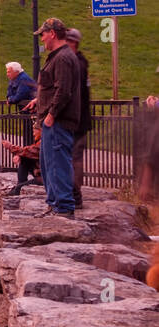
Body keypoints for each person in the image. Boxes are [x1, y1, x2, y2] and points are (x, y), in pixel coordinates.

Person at [32, 18, 82, 218]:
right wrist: (38, 101)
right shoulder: (59, 56)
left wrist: (51, 115)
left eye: (43, 34)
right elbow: (54, 87)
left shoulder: (62, 58)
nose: (41, 38)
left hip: (58, 122)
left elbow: (63, 91)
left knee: (57, 164)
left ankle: (63, 208)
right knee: (48, 164)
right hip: (52, 123)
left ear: (52, 33)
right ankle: (55, 204)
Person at [65, 28, 92, 209]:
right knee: (73, 157)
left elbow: (73, 92)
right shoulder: (79, 62)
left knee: (74, 158)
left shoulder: (78, 64)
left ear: (73, 43)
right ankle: (73, 193)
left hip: (77, 121)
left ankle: (76, 195)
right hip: (77, 120)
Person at [2, 123, 42, 194]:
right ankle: (20, 184)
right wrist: (20, 156)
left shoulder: (44, 143)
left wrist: (10, 146)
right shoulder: (41, 142)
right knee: (24, 158)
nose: (33, 134)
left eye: (34, 131)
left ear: (41, 131)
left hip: (45, 178)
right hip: (41, 174)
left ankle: (18, 187)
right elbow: (29, 152)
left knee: (19, 187)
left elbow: (29, 151)